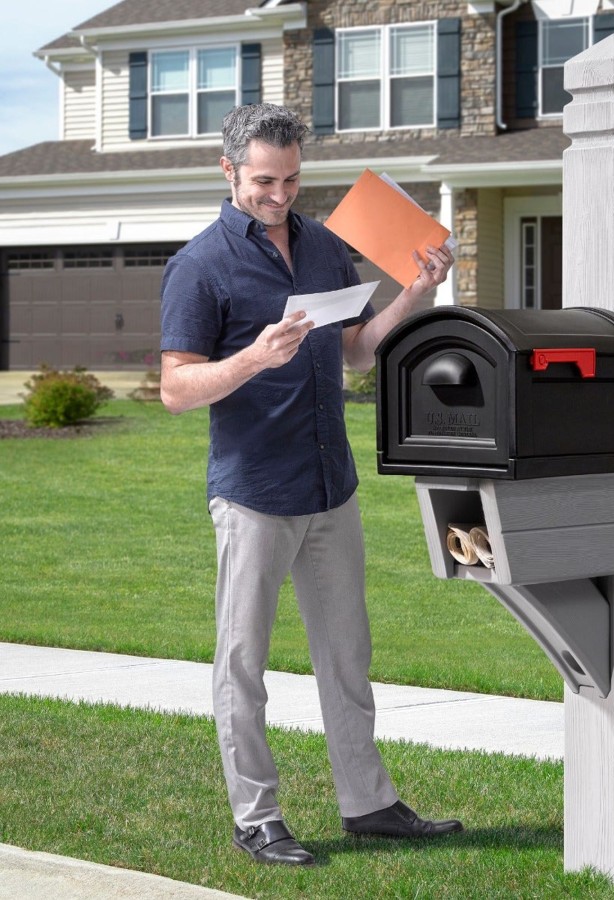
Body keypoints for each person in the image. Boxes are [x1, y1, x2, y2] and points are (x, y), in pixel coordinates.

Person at [159, 103, 461, 867]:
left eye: (292, 179)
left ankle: (368, 804)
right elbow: (175, 389)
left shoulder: (326, 247)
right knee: (243, 663)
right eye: (265, 180)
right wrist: (254, 359)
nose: (281, 193)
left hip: (331, 484)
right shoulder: (200, 266)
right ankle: (256, 817)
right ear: (228, 172)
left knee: (345, 655)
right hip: (254, 491)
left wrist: (414, 291)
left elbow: (357, 352)